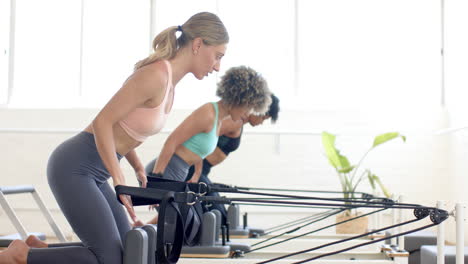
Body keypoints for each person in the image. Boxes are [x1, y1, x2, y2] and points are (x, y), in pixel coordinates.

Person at [0, 12, 229, 264]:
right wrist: (118, 176)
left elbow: (124, 126)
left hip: (95, 172)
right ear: (198, 45)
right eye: (217, 56)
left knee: (127, 250)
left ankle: (37, 249)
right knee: (108, 259)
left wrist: (137, 165)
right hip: (74, 165)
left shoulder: (170, 84)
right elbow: (103, 122)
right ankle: (20, 256)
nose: (217, 66)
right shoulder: (155, 76)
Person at [144, 94, 280, 224]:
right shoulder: (233, 121)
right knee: (216, 214)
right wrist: (195, 173)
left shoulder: (236, 121)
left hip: (197, 170)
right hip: (189, 169)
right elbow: (193, 139)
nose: (262, 122)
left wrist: (198, 172)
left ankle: (142, 225)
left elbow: (201, 145)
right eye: (264, 118)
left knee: (194, 213)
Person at [148, 66, 272, 186]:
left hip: (179, 172)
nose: (247, 113)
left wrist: (197, 173)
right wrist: (156, 178)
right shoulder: (208, 114)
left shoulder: (218, 121)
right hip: (167, 172)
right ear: (238, 100)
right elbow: (172, 141)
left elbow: (197, 149)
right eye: (247, 108)